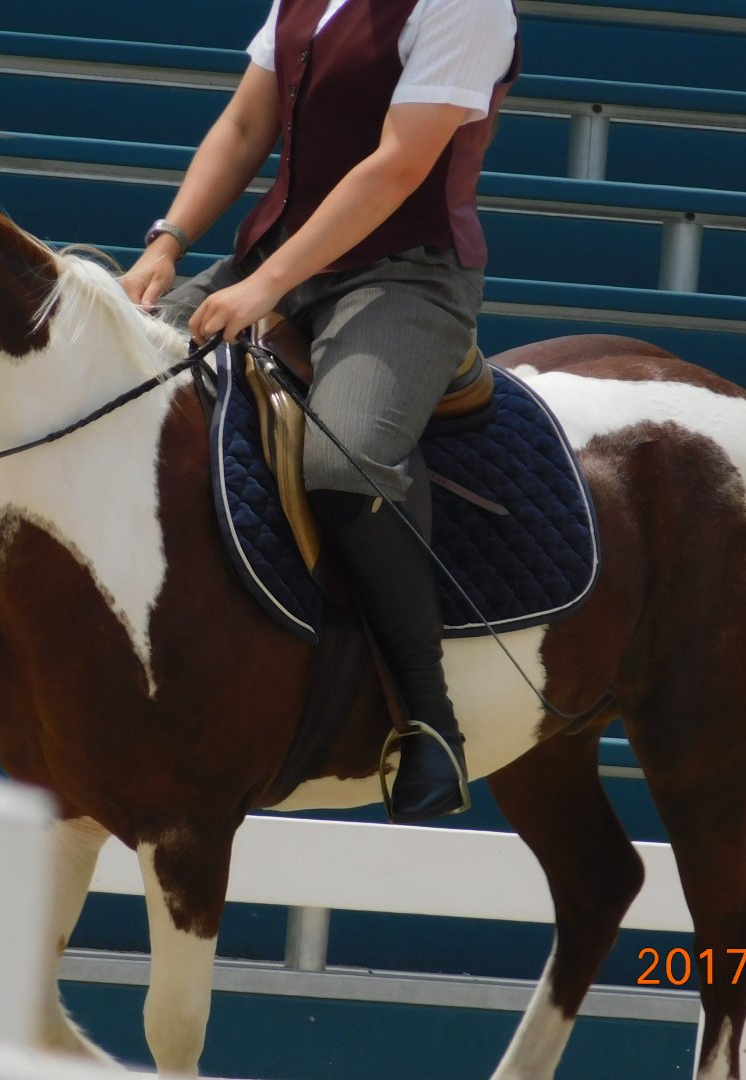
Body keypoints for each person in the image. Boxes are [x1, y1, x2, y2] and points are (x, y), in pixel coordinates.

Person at [120, 0, 520, 822]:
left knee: (344, 459)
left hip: (404, 275)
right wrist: (167, 243)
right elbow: (243, 125)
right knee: (115, 385)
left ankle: (428, 723)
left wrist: (265, 287)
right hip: (277, 256)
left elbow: (400, 164)